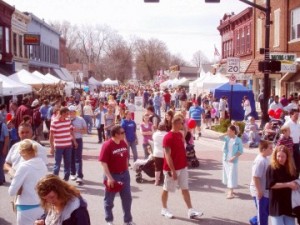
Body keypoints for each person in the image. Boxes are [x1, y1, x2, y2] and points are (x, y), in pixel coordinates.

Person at [161, 115, 202, 219]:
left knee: (185, 188)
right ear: (175, 124)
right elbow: (167, 156)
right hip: (171, 169)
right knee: (166, 189)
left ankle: (191, 210)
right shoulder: (167, 137)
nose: (182, 125)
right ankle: (164, 209)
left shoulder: (180, 134)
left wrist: (185, 162)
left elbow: (182, 149)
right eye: (181, 123)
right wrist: (173, 171)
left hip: (182, 167)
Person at [99, 125, 135, 225]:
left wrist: (126, 169)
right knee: (109, 200)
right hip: (112, 175)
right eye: (122, 133)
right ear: (116, 134)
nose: (124, 134)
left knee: (127, 198)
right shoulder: (107, 145)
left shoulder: (123, 142)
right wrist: (109, 178)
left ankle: (127, 220)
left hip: (124, 174)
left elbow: (126, 156)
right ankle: (109, 220)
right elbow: (103, 162)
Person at [8, 139, 47, 225]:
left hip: (25, 208)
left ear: (22, 152)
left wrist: (13, 175)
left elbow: (11, 192)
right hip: (41, 206)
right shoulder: (42, 164)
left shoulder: (24, 166)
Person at [266, 145, 298, 225]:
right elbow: (271, 185)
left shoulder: (291, 168)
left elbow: (296, 180)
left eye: (283, 156)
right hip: (276, 204)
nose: (280, 159)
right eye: (278, 156)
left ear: (287, 157)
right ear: (275, 156)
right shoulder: (271, 168)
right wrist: (288, 184)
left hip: (289, 204)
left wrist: (296, 184)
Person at [50, 107, 77, 181]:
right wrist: (52, 147)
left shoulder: (68, 121)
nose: (67, 115)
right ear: (61, 113)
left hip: (68, 145)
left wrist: (74, 141)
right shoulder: (54, 122)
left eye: (68, 113)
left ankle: (66, 179)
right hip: (58, 146)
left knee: (67, 163)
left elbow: (71, 132)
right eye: (66, 113)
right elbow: (51, 136)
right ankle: (55, 180)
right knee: (57, 164)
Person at [249, 140, 273, 225]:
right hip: (260, 191)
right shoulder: (260, 161)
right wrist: (259, 191)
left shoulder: (266, 159)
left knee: (266, 211)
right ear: (263, 149)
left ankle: (254, 221)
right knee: (262, 214)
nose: (272, 150)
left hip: (265, 191)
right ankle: (258, 222)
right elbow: (256, 177)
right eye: (270, 148)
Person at [222, 125, 243, 199]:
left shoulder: (238, 140)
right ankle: (231, 189)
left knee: (231, 175)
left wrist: (234, 157)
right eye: (227, 131)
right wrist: (226, 133)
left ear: (233, 131)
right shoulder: (227, 138)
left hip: (233, 160)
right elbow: (219, 137)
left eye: (229, 131)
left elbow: (240, 151)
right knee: (228, 175)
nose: (228, 132)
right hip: (226, 159)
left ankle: (230, 192)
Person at [69, 105, 87, 184]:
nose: (71, 113)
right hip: (69, 141)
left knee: (78, 158)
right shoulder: (66, 120)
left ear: (75, 112)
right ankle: (72, 173)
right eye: (70, 112)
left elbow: (85, 131)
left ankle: (79, 176)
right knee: (71, 157)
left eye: (73, 112)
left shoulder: (80, 119)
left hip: (78, 139)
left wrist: (77, 130)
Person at [284, 109, 300, 174]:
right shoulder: (288, 124)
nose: (297, 116)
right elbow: (283, 135)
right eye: (295, 115)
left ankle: (296, 176)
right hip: (289, 145)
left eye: (298, 115)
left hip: (297, 144)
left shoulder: (298, 124)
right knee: (290, 162)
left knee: (297, 161)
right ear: (291, 115)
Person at [0, 120, 9, 185]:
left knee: (1, 163)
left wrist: (5, 148)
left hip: (1, 144)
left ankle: (1, 179)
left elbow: (6, 137)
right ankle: (2, 178)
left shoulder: (2, 125)